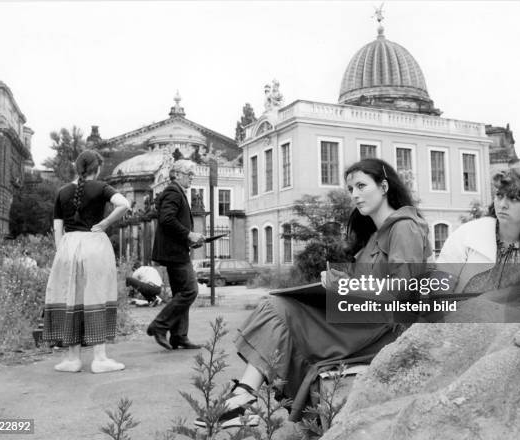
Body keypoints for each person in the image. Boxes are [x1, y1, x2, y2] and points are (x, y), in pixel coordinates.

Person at [198, 158, 432, 429]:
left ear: (383, 186)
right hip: (362, 318)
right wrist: (340, 282)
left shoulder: (405, 226)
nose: (355, 195)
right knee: (277, 304)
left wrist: (342, 285)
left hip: (385, 327)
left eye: (361, 186)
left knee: (278, 308)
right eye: (350, 189)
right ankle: (244, 396)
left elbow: (404, 292)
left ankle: (243, 397)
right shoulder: (372, 236)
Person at [43, 150, 130, 373]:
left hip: (68, 246)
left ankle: (72, 359)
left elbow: (57, 228)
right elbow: (124, 204)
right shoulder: (101, 188)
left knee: (71, 298)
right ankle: (99, 358)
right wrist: (105, 223)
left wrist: (62, 252)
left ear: (77, 167)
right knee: (97, 295)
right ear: (97, 168)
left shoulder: (63, 191)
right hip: (94, 245)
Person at [437, 165, 520, 293]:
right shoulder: (468, 233)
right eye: (499, 196)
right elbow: (440, 285)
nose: (502, 205)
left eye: (513, 198)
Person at [147, 159, 205, 351]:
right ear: (178, 174)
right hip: (175, 253)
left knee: (182, 292)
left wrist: (189, 239)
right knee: (190, 291)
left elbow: (170, 222)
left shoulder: (176, 191)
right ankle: (159, 326)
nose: (192, 178)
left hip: (176, 250)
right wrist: (188, 234)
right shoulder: (174, 191)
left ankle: (179, 336)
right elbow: (167, 219)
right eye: (189, 174)